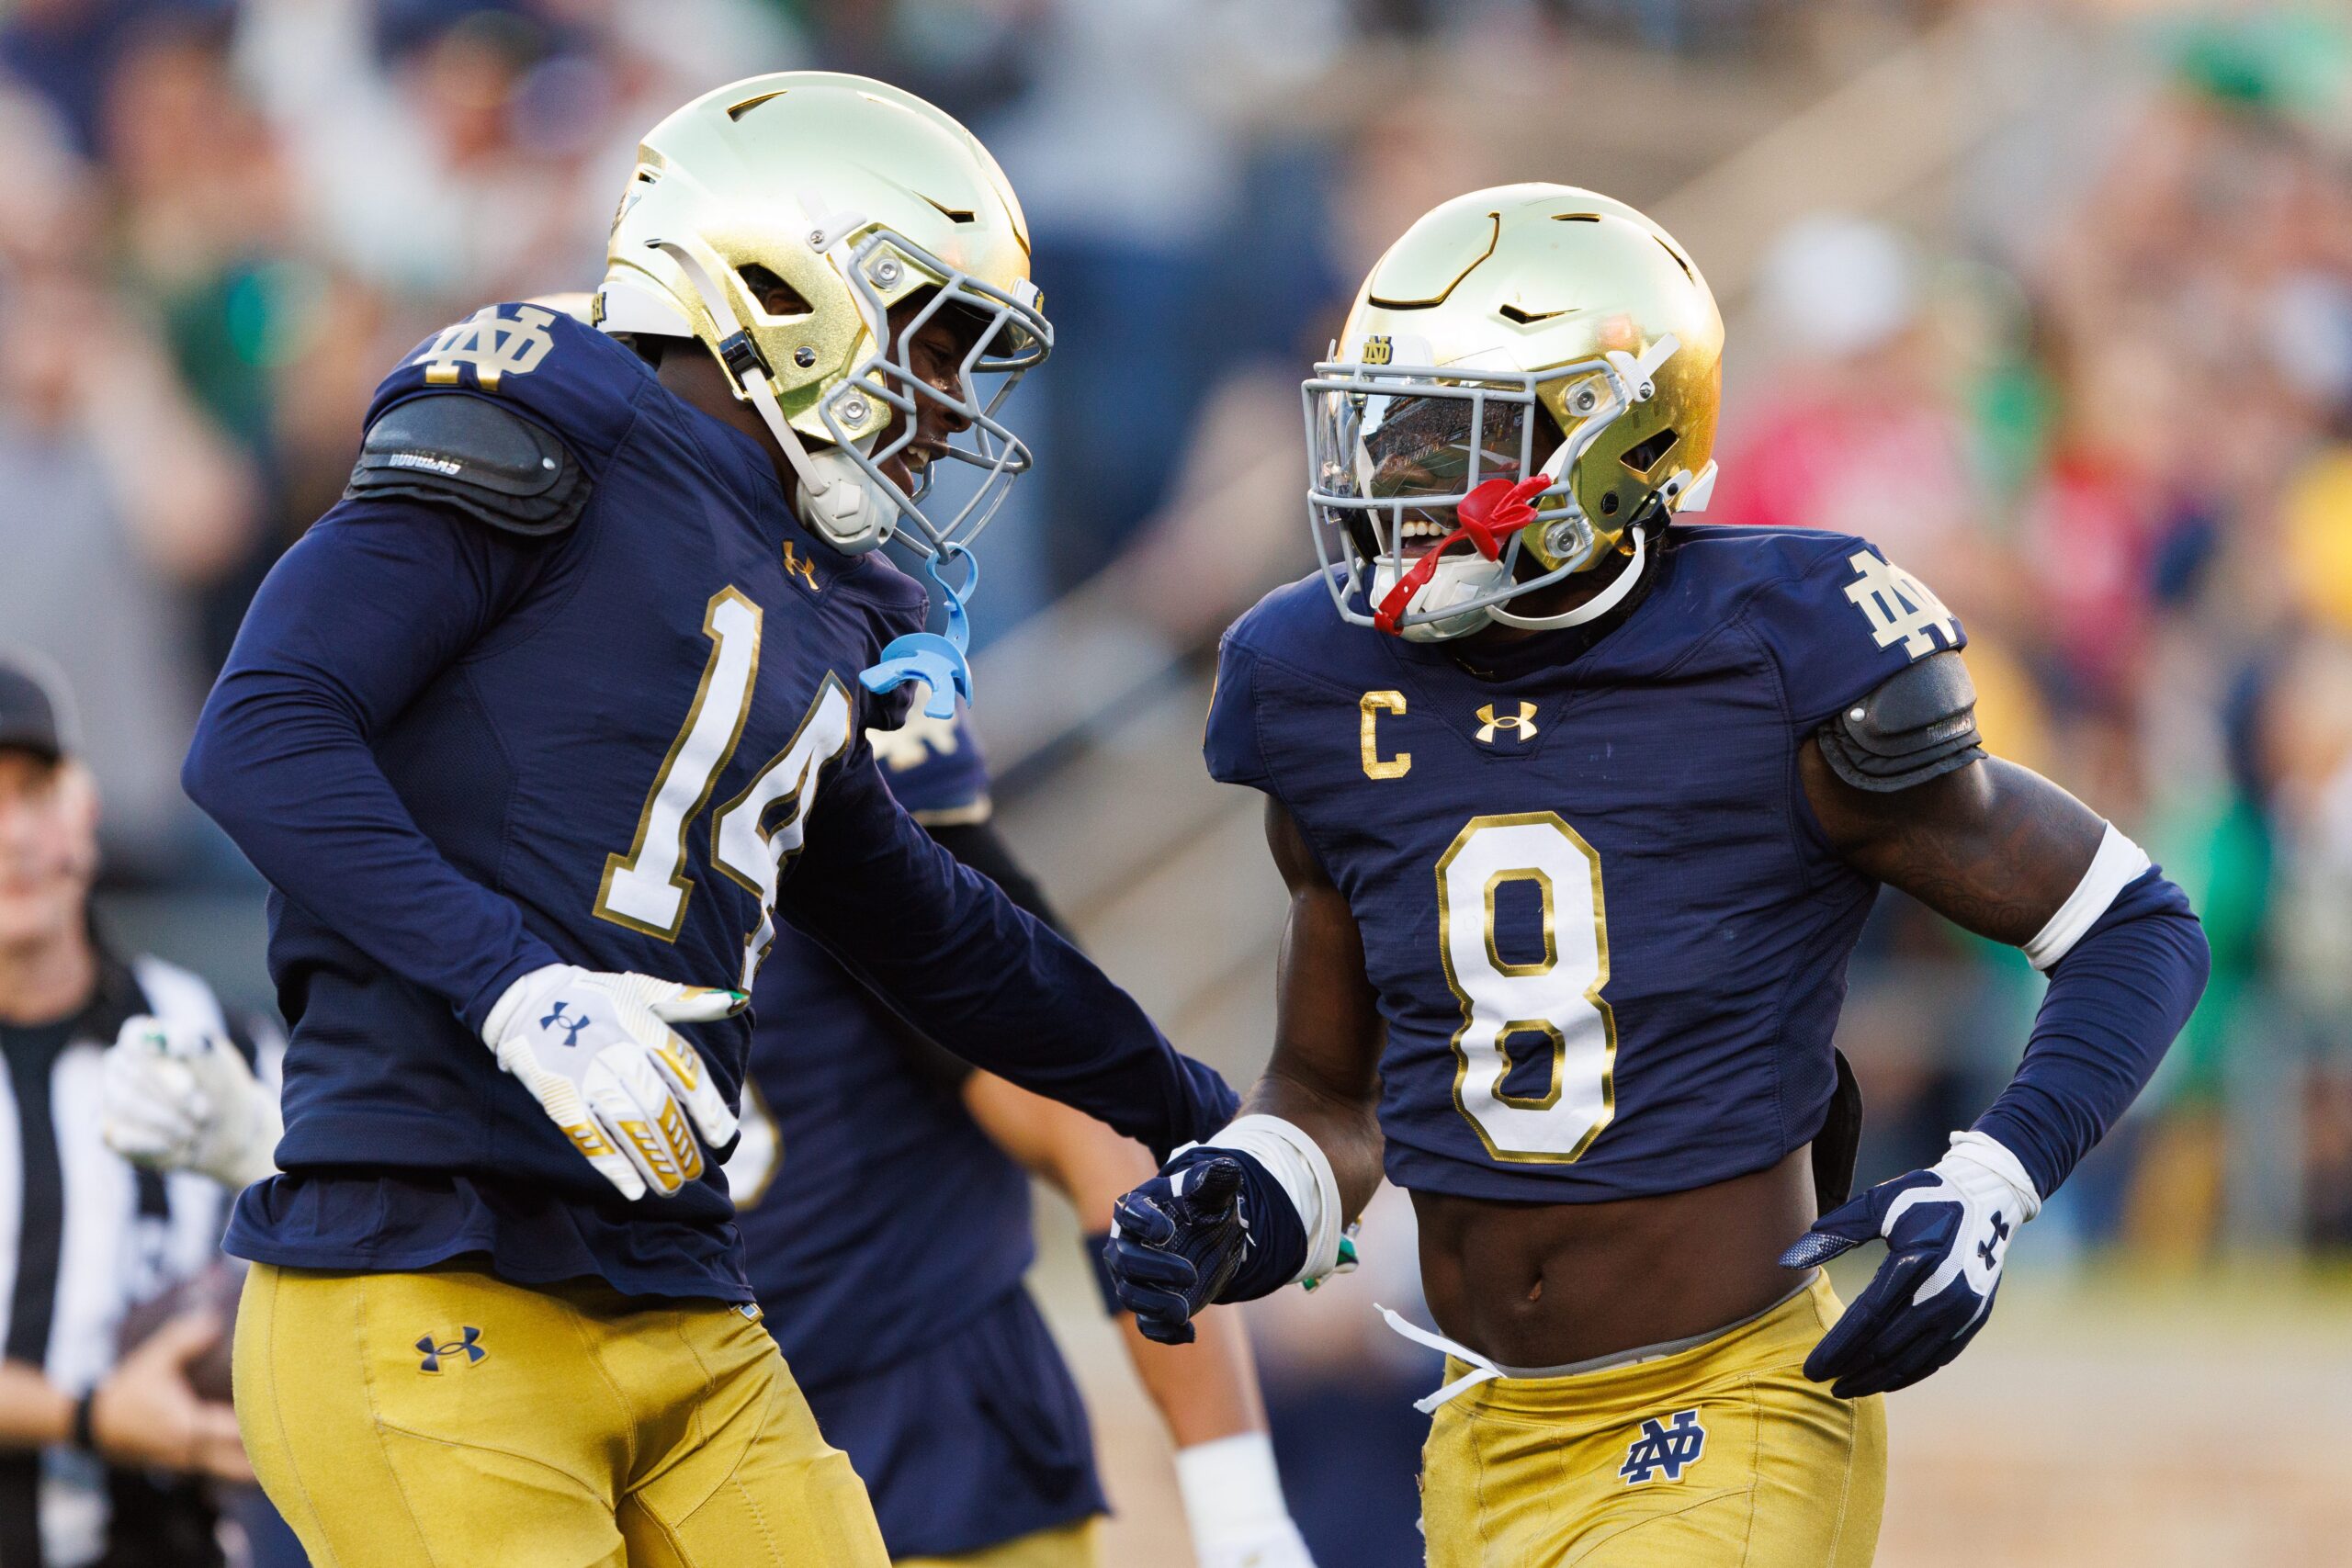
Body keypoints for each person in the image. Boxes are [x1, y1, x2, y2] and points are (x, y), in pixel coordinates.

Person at [178, 73, 1235, 1568]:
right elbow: (261, 732)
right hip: (424, 1267)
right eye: (935, 339)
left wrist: (1204, 1114)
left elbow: (934, 930)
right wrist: (521, 989)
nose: (952, 408)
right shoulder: (546, 425)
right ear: (784, 284)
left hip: (676, 1284)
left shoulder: (807, 585)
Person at [1102, 186, 2211, 1566]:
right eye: (1384, 427)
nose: (1392, 476)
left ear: (1613, 444)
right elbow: (1331, 1095)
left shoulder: (1780, 648)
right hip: (1483, 1422)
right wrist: (1247, 1189)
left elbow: (2131, 923)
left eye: (1452, 435)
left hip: (1724, 1401)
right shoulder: (1315, 679)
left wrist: (1994, 1175)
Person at [738, 702, 1311, 1568]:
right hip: (686, 1430)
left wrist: (1242, 1519)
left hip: (923, 1432)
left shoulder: (795, 734)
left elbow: (1096, 1131)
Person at [0, 651, 262, 1568]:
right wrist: (92, 1415)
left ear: (85, 806)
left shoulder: (215, 1035)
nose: (13, 834)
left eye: (34, 792)